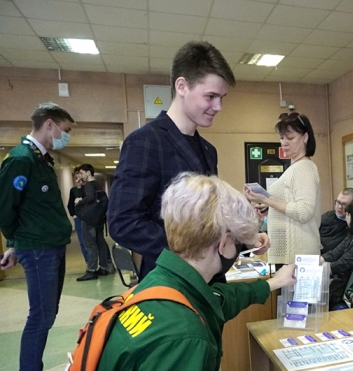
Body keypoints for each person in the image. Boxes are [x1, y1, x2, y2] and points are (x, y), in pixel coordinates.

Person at [89, 173, 295, 371]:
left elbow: (219, 299)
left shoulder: (160, 285)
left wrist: (273, 283)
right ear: (225, 243)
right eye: (239, 243)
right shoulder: (183, 338)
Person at [108, 41, 269, 279]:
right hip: (169, 280)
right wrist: (191, 255)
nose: (218, 107)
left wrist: (245, 238)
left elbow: (209, 219)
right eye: (211, 96)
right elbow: (124, 223)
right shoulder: (145, 142)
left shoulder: (208, 150)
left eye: (222, 97)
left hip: (209, 282)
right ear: (182, 86)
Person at [0, 102, 74, 371]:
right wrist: (15, 242)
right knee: (40, 317)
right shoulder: (21, 159)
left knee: (46, 314)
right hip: (39, 248)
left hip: (50, 246)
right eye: (65, 130)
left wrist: (15, 244)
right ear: (49, 124)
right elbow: (5, 206)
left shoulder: (41, 159)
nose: (66, 136)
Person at [244, 113, 320, 264]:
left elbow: (304, 211)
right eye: (282, 138)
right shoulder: (295, 167)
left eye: (290, 138)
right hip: (292, 254)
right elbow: (292, 204)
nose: (284, 143)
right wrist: (269, 207)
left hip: (298, 256)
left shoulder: (304, 167)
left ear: (305, 137)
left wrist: (267, 200)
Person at [75, 163, 114, 281]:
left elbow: (90, 197)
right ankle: (104, 267)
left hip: (89, 219)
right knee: (100, 242)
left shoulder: (89, 184)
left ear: (88, 173)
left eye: (82, 173)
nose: (80, 176)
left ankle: (91, 270)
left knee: (90, 245)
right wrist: (80, 187)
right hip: (98, 219)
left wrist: (79, 201)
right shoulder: (97, 184)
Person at [67, 168, 89, 266]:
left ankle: (96, 262)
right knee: (83, 241)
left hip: (89, 217)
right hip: (79, 218)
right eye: (76, 174)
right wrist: (74, 215)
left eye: (80, 174)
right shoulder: (73, 190)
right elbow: (70, 204)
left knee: (91, 241)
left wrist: (81, 187)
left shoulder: (88, 187)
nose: (78, 176)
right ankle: (89, 263)